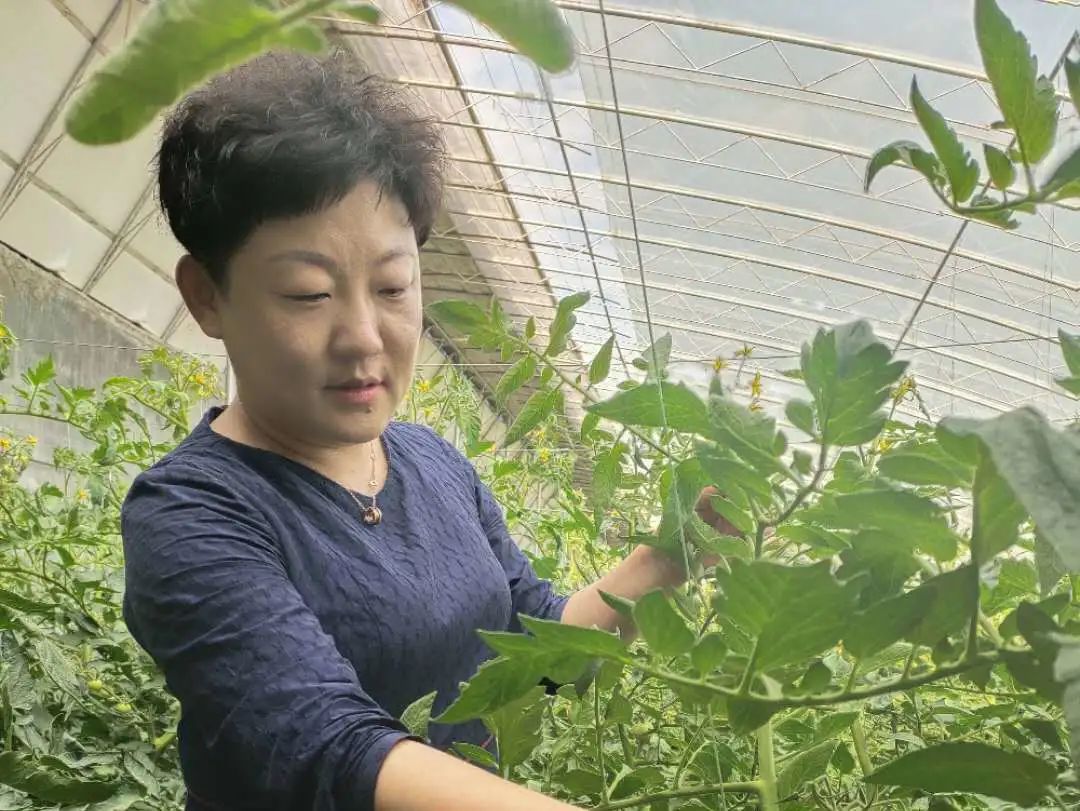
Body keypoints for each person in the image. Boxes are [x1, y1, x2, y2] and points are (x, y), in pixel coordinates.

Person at [120, 49, 735, 811]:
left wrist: (672, 551)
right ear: (207, 296)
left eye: (391, 286)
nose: (363, 336)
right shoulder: (190, 513)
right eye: (308, 293)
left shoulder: (432, 463)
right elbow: (329, 748)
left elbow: (538, 647)